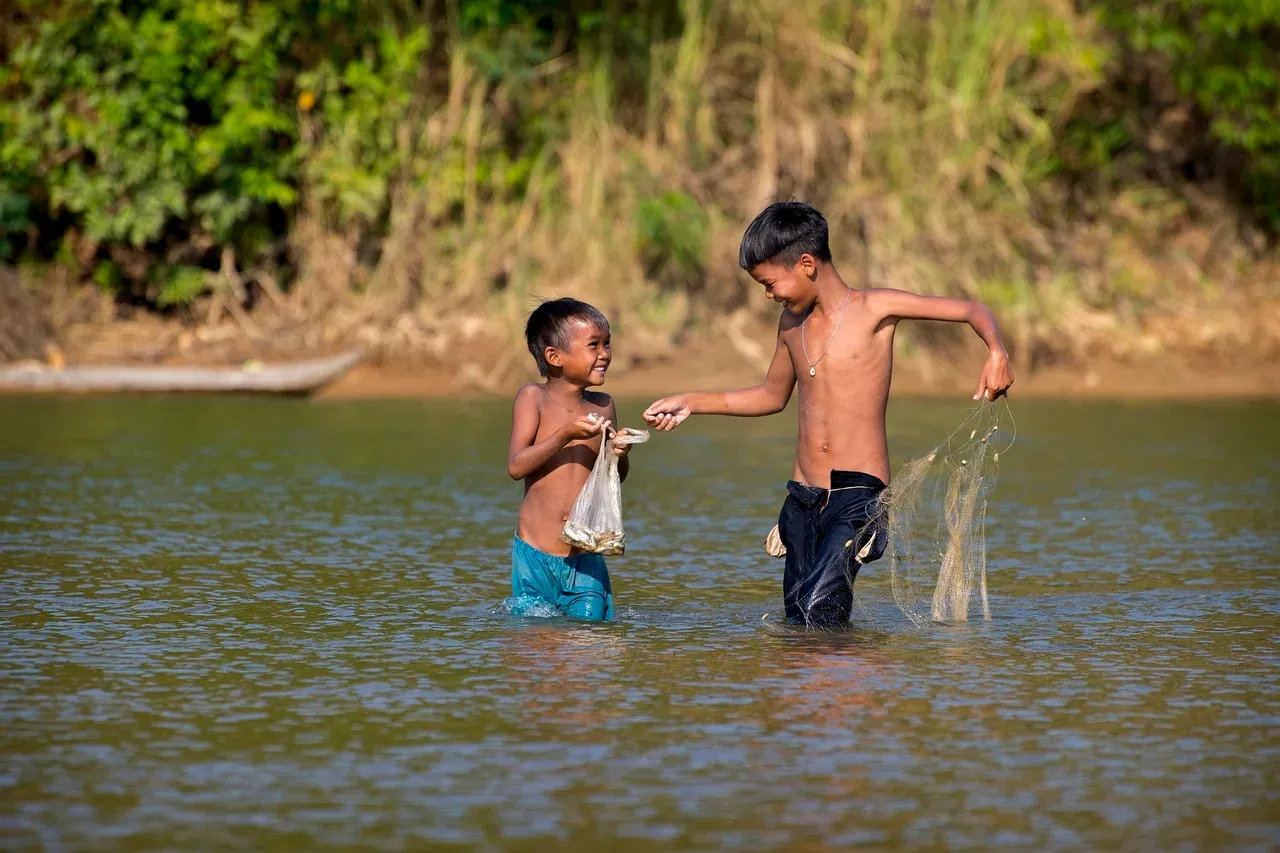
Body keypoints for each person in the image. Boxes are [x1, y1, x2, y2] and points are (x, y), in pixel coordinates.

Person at [643, 202, 1013, 628]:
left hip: (858, 495)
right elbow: (770, 395)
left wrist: (996, 351)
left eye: (770, 284)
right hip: (802, 498)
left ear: (806, 264)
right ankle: (816, 692)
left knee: (822, 610)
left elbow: (971, 310)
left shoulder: (876, 309)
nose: (769, 295)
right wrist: (692, 401)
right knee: (799, 618)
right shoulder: (790, 325)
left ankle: (851, 692)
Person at [507, 298, 636, 620]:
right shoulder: (533, 397)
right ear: (554, 357)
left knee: (589, 636)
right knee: (534, 637)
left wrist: (619, 454)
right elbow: (516, 466)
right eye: (593, 345)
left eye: (607, 344)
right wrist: (563, 435)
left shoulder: (604, 405)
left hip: (585, 553)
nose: (605, 353)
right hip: (535, 551)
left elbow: (615, 476)